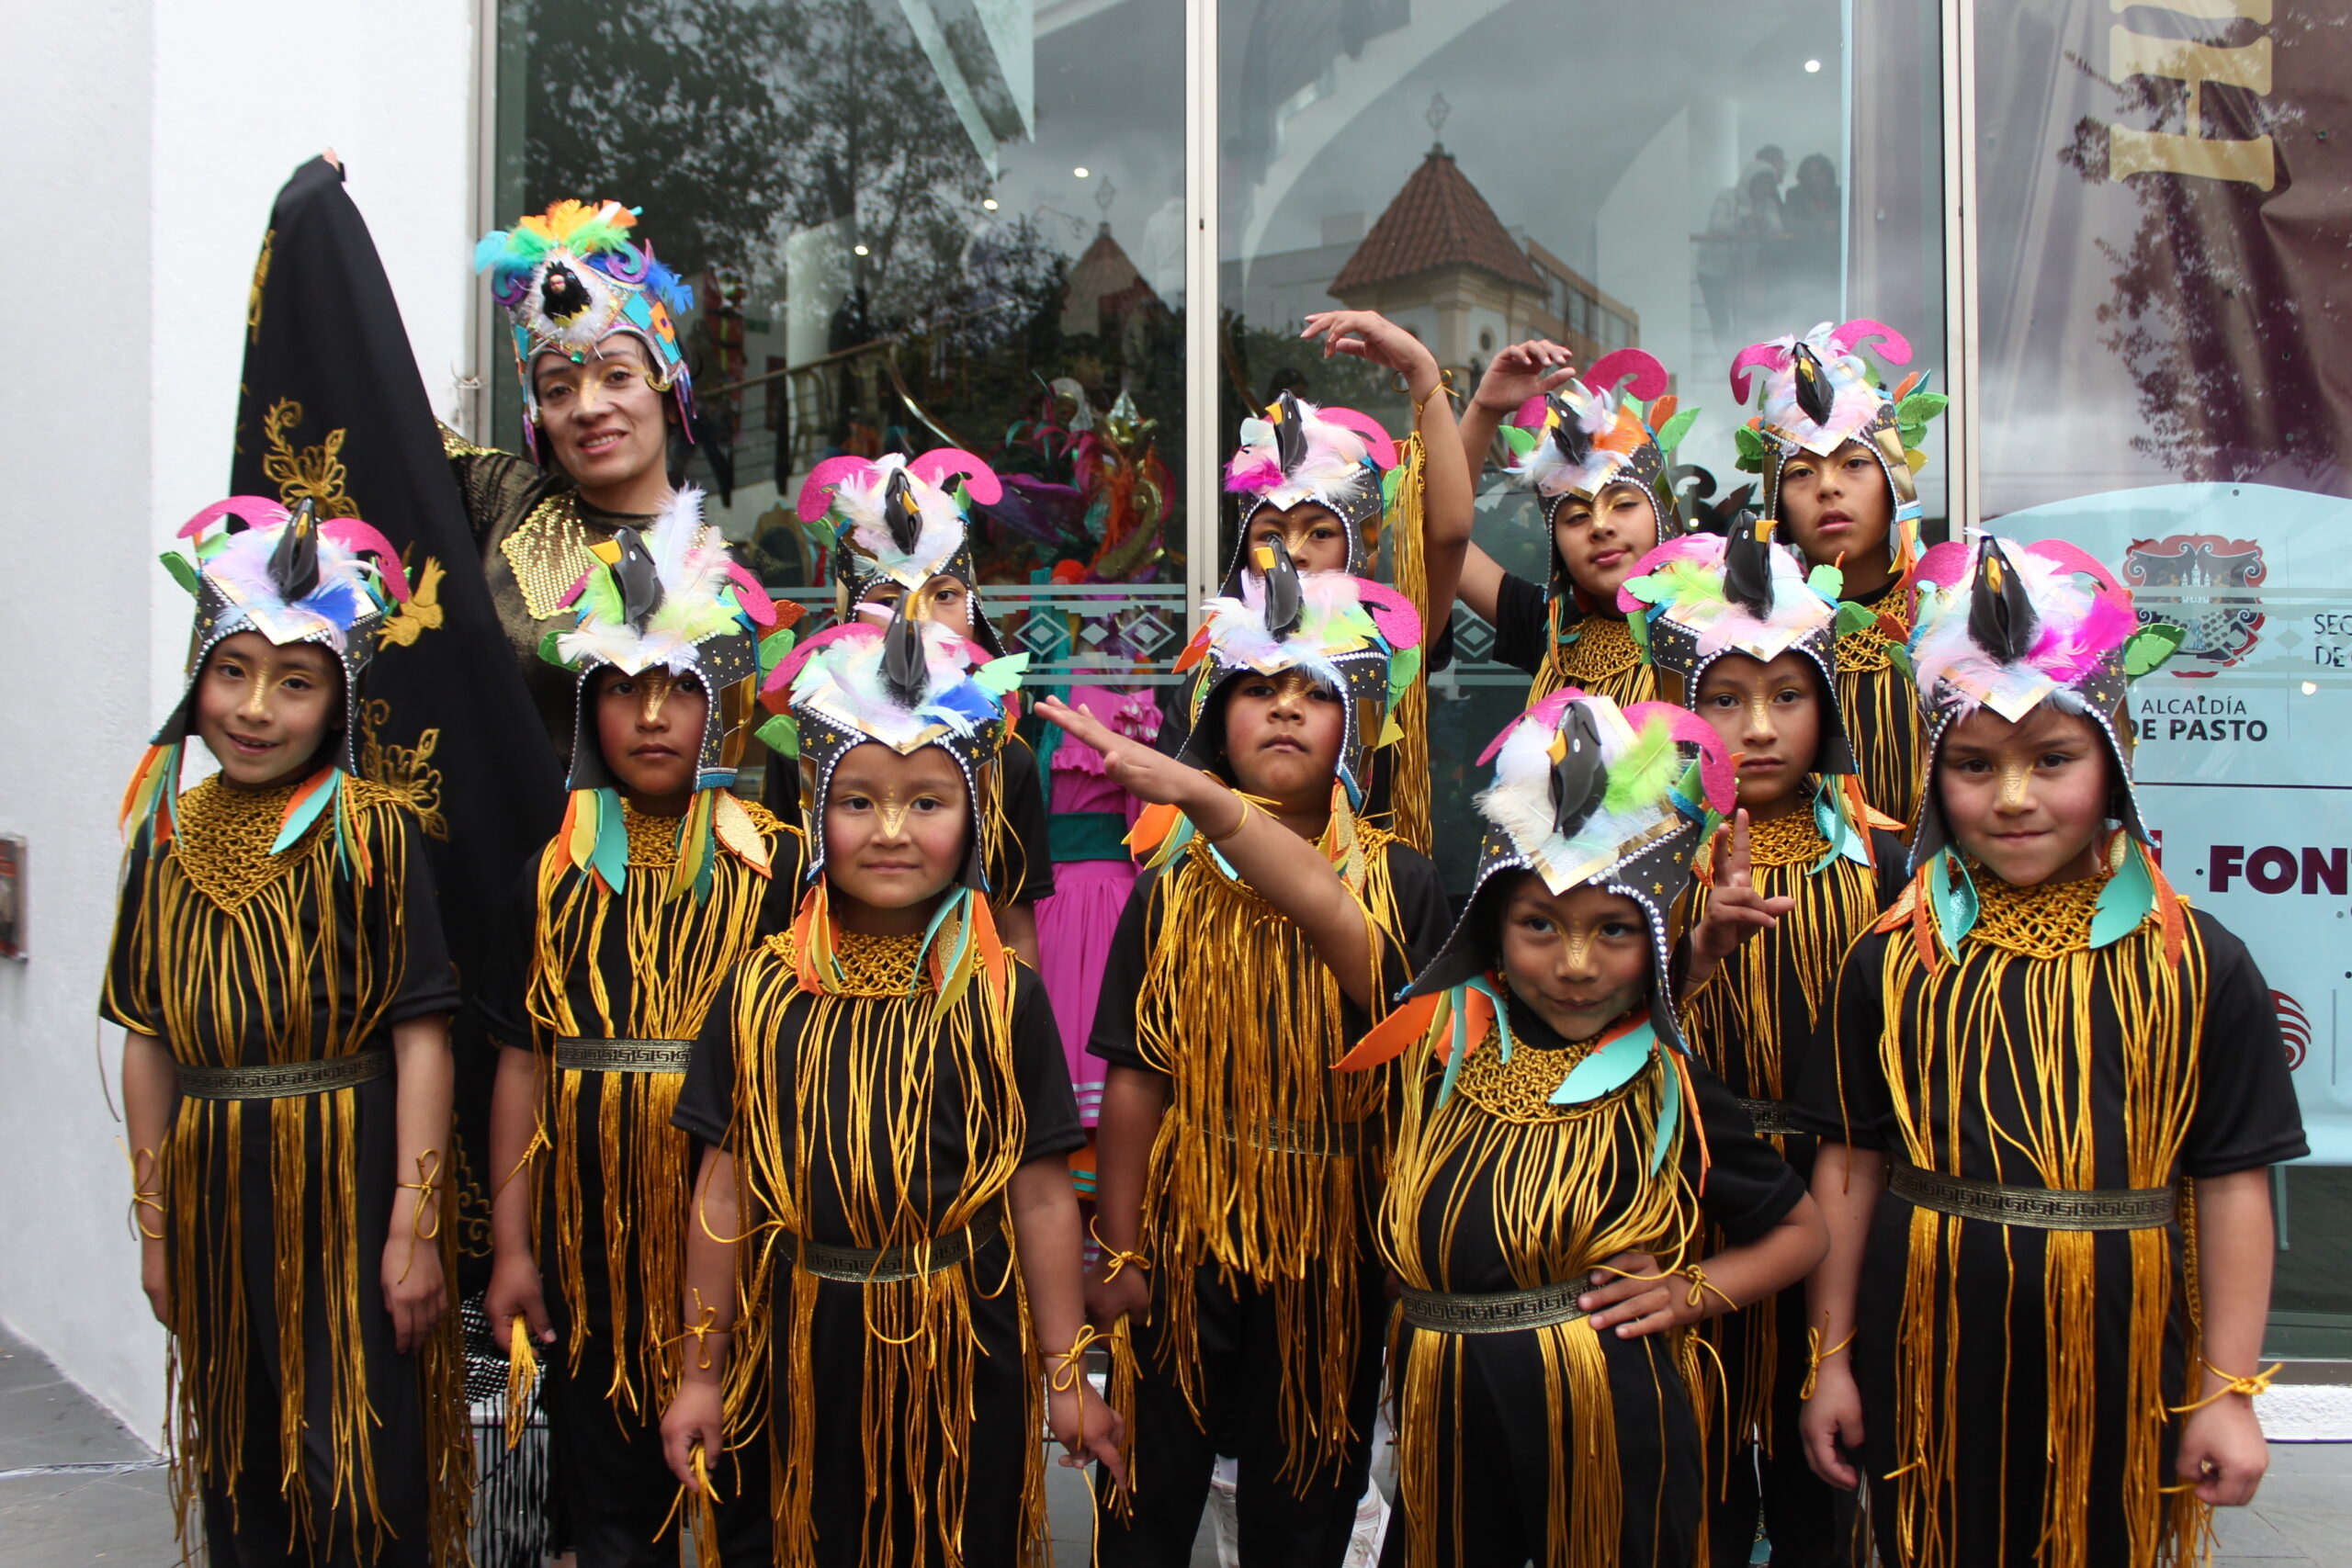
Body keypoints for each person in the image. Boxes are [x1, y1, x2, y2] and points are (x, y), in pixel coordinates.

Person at [1793, 534, 2308, 1566]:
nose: (2014, 796)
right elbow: (1849, 1167)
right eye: (1975, 765)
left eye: (2053, 760)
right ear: (1935, 776)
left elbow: (2230, 1183)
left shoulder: (2199, 964)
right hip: (1924, 1342)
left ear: (2113, 762)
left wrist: (2227, 1390)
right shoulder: (1891, 960)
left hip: (2123, 1346)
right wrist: (1832, 1358)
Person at [659, 606, 1122, 1565]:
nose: (892, 831)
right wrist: (700, 1373)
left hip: (963, 1345)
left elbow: (1041, 1196)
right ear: (815, 812)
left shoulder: (1004, 997)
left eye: (928, 802)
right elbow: (722, 1190)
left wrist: (1064, 1372)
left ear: (975, 818)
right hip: (793, 1349)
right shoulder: (759, 988)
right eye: (859, 800)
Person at [1336, 686, 1826, 1567]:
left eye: (1613, 931)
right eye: (1539, 925)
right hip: (1447, 1417)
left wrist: (1689, 1291)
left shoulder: (1663, 1079)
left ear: (1655, 945)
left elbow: (1801, 1231)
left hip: (1608, 1422)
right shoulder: (1443, 1052)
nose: (1573, 964)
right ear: (1490, 927)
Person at [109, 497, 469, 1563]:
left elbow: (421, 1038)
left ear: (338, 698)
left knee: (355, 1468)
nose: (257, 708)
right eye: (233, 672)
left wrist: (413, 1226)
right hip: (215, 1191)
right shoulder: (163, 837)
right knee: (241, 1461)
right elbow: (146, 1039)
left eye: (295, 682)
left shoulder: (372, 832)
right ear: (198, 677)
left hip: (347, 1181)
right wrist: (157, 1227)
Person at [1071, 556, 1451, 1566]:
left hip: (1336, 1241)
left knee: (1302, 1507)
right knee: (1144, 1500)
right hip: (1185, 1230)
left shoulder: (1405, 882)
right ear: (1215, 719)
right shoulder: (1168, 886)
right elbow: (1137, 1076)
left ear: (1354, 723)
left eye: (1315, 692)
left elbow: (1406, 1036)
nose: (1285, 709)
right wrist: (1121, 1251)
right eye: (1257, 689)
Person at [479, 488, 794, 1566]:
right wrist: (513, 1246)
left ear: (723, 704)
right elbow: (520, 1066)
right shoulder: (551, 873)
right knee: (614, 1512)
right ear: (586, 706)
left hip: (748, 1243)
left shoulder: (780, 865)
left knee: (756, 1502)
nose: (652, 715)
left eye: (680, 688)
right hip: (590, 1248)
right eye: (622, 689)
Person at [1616, 516, 1907, 1566]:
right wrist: (1693, 950)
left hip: (1840, 1196)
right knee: (1687, 1482)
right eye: (1724, 699)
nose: (1758, 727)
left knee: (1821, 1481)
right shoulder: (1634, 857)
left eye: (1787, 695)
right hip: (1684, 1200)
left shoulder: (1889, 863)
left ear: (1826, 702)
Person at [771, 447, 1056, 963]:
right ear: (848, 612)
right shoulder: (804, 744)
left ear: (973, 608)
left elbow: (1015, 924)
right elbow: (781, 904)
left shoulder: (1004, 752)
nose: (917, 618)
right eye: (887, 598)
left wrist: (1014, 1010)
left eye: (944, 595)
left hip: (962, 993)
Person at [1206, 309, 1471, 849]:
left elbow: (1449, 534)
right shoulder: (1217, 655)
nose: (1293, 552)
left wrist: (1422, 375)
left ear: (1361, 546)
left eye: (1320, 532)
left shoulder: (1387, 639)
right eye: (1271, 533)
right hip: (1232, 889)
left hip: (1366, 886)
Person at [458, 197, 707, 754]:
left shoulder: (715, 573)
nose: (588, 407)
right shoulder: (501, 500)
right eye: (558, 389)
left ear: (670, 392)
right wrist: (321, 214)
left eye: (616, 376)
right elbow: (375, 409)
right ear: (538, 417)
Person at [1728, 318, 1947, 829]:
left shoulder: (1949, 620)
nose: (1828, 487)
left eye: (1854, 463)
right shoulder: (1748, 636)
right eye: (1801, 472)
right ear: (1777, 503)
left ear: (1894, 482)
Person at [1437, 345, 1698, 706]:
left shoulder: (1719, 626)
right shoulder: (1550, 628)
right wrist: (1485, 411)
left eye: (1623, 504)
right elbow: (1442, 534)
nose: (1600, 527)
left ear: (1662, 513)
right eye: (1576, 517)